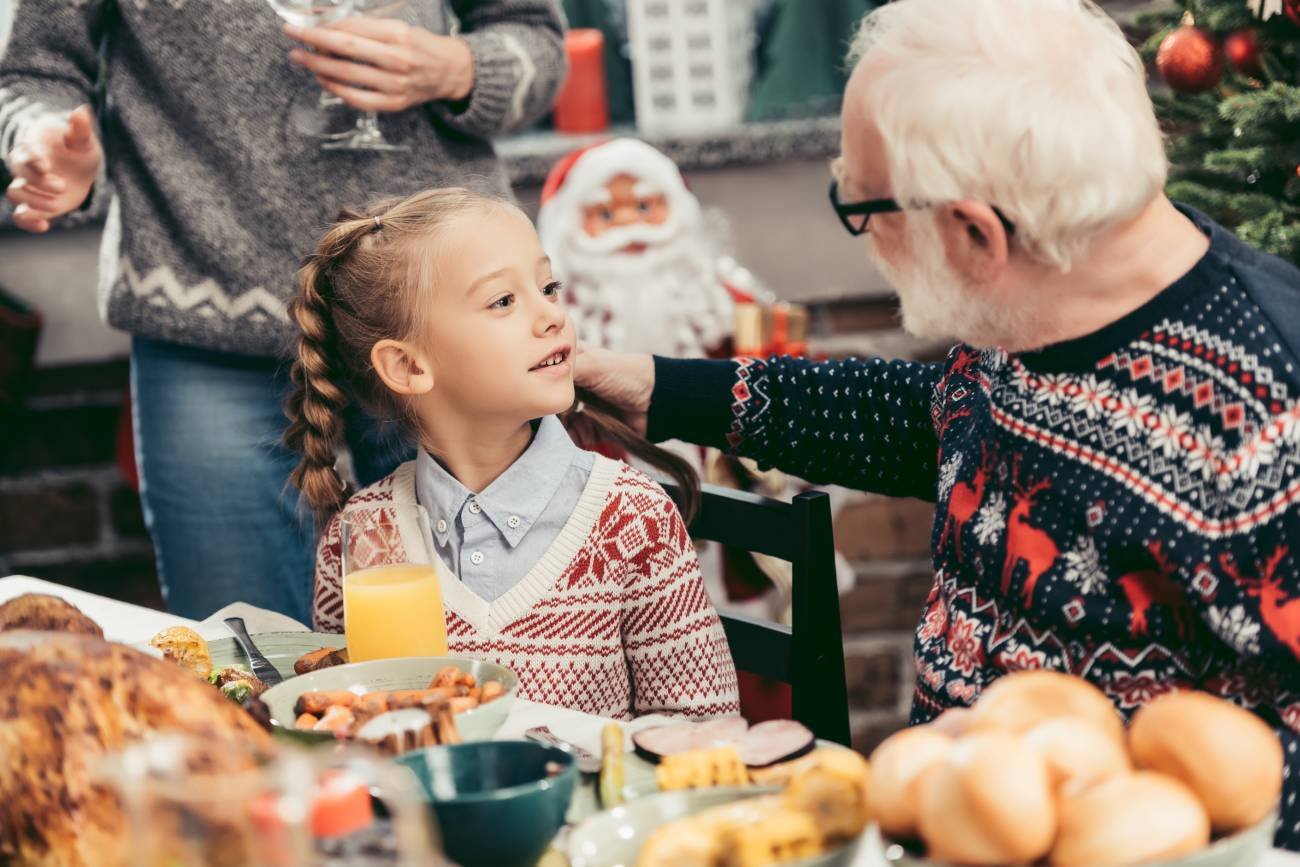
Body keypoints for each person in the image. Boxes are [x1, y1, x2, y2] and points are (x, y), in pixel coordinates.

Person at [575, 0, 1300, 845]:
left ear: (974, 232)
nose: (864, 237)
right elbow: (937, 422)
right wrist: (662, 389)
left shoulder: (1268, 413)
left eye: (864, 208)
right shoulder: (1039, 298)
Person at [0, 0, 565, 623]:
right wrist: (45, 140)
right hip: (204, 310)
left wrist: (462, 69)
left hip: (449, 311)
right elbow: (38, 72)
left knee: (523, 638)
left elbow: (535, 39)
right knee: (242, 655)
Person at [290, 188, 740, 720]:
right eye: (503, 301)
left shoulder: (632, 520)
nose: (551, 316)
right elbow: (338, 720)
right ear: (409, 366)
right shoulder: (359, 538)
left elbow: (704, 733)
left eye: (548, 288)